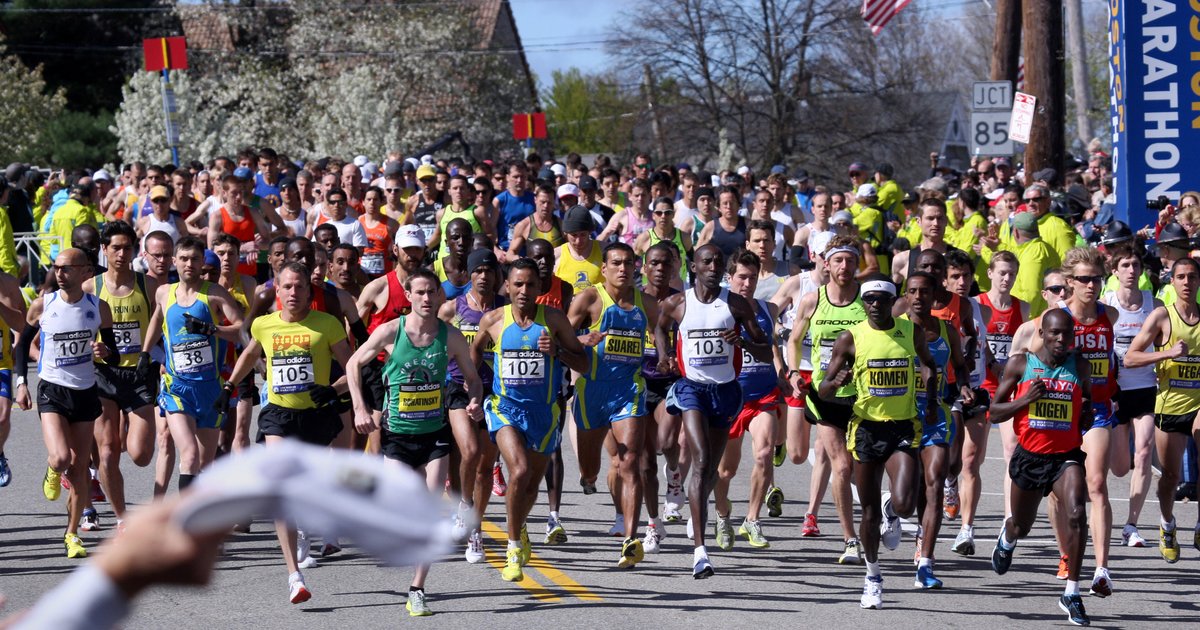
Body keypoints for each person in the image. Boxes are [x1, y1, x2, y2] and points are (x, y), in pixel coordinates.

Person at [348, 268, 484, 617]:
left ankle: (417, 588)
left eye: (431, 292)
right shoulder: (390, 332)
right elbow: (353, 364)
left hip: (434, 434)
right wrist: (360, 407)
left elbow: (473, 378)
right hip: (397, 434)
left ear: (440, 295)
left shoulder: (451, 337)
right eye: (419, 292)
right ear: (408, 296)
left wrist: (475, 399)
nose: (426, 298)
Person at [225, 261, 354, 605]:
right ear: (277, 290)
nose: (293, 292)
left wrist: (334, 389)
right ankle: (294, 576)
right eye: (287, 286)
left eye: (299, 286)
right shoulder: (264, 324)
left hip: (316, 416)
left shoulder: (326, 324)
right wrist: (229, 385)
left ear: (309, 292)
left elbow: (353, 367)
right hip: (279, 414)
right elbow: (250, 355)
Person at [654, 243, 772, 578]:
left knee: (710, 473)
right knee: (702, 459)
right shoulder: (677, 303)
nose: (713, 266)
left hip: (726, 392)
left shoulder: (736, 305)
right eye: (707, 261)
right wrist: (665, 355)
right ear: (694, 267)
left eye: (718, 261)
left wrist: (742, 342)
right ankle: (700, 552)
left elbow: (765, 351)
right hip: (692, 389)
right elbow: (660, 328)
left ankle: (697, 508)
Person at [818, 274, 936, 609]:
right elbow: (823, 389)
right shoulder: (850, 338)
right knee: (868, 512)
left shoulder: (910, 332)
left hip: (902, 427)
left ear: (893, 302)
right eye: (868, 299)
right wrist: (835, 383)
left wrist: (929, 398)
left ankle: (893, 510)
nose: (874, 305)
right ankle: (873, 577)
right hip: (866, 430)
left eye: (881, 300)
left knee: (906, 504)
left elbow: (928, 365)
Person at [469, 258, 588, 582]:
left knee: (532, 485)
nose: (523, 290)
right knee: (519, 470)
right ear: (507, 286)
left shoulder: (554, 320)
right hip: (505, 409)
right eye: (517, 284)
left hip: (544, 414)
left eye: (530, 284)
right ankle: (512, 549)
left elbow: (584, 364)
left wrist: (558, 352)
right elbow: (474, 352)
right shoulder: (493, 320)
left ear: (540, 288)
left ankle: (519, 526)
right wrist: (473, 385)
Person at [989, 309, 1094, 627]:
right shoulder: (1021, 364)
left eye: (1067, 333)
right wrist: (1025, 400)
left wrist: (1086, 413)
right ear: (1043, 334)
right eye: (1055, 333)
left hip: (1065, 457)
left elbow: (1086, 401)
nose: (1061, 339)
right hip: (1030, 458)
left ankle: (1072, 592)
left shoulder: (1080, 366)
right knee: (1022, 526)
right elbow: (994, 412)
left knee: (1077, 513)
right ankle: (1008, 537)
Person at [14, 248, 120, 558]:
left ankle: (72, 534)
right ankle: (53, 469)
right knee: (61, 458)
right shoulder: (43, 305)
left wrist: (104, 352)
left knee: (79, 469)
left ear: (85, 271)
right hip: (52, 390)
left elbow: (112, 353)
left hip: (84, 392)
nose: (59, 273)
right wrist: (21, 383)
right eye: (57, 267)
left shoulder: (98, 307)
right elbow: (22, 345)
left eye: (67, 268)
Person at [568, 242, 660, 568]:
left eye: (628, 263)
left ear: (636, 267)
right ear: (604, 268)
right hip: (592, 391)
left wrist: (665, 354)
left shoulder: (647, 304)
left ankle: (630, 540)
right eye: (616, 263)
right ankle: (588, 479)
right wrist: (582, 339)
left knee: (629, 460)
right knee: (591, 467)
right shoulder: (589, 299)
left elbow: (663, 332)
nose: (623, 269)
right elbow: (561, 336)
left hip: (628, 390)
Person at [142, 236, 245, 492]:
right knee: (188, 455)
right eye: (184, 258)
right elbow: (157, 319)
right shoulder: (164, 292)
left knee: (205, 465)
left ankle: (201, 512)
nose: (189, 264)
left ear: (202, 263)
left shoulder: (214, 293)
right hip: (177, 387)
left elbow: (243, 331)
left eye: (195, 259)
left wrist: (212, 329)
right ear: (174, 261)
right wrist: (145, 353)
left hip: (209, 388)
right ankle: (184, 516)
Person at [786, 237, 866, 562]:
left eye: (850, 260)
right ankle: (850, 539)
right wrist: (794, 372)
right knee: (842, 466)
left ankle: (879, 514)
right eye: (838, 260)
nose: (844, 266)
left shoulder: (867, 301)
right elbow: (794, 340)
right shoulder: (812, 300)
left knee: (862, 470)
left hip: (863, 397)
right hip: (825, 396)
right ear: (827, 264)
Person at [81, 221, 160, 531]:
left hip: (139, 374)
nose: (121, 254)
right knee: (108, 451)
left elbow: (164, 325)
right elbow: (77, 328)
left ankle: (125, 425)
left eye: (127, 248)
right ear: (104, 249)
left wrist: (158, 356)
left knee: (140, 454)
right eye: (115, 247)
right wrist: (91, 347)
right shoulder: (91, 288)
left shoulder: (149, 286)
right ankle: (122, 518)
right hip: (104, 374)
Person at [1123, 257, 1200, 564]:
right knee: (1170, 476)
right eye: (1181, 277)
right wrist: (1167, 354)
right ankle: (1167, 525)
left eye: (1192, 277)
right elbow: (1130, 358)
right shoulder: (1162, 316)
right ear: (1172, 281)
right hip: (1170, 405)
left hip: (1198, 403)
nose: (1187, 282)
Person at [955, 250, 1028, 556]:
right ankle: (962, 515)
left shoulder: (1023, 308)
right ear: (990, 274)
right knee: (971, 459)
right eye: (1001, 273)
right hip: (981, 387)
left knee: (1012, 452)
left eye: (1012, 273)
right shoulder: (977, 305)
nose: (1006, 278)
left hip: (1009, 390)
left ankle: (1008, 519)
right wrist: (991, 363)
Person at [714, 251, 787, 549]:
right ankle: (722, 515)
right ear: (729, 278)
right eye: (742, 277)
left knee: (764, 453)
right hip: (730, 397)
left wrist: (783, 374)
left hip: (763, 395)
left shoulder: (769, 309)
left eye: (753, 278)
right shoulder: (718, 310)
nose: (747, 283)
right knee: (725, 471)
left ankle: (752, 519)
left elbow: (773, 347)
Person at [437, 249, 507, 563]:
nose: (483, 276)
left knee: (484, 468)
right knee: (470, 450)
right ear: (468, 274)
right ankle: (463, 506)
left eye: (489, 270)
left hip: (495, 391)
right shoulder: (452, 309)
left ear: (497, 275)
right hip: (457, 388)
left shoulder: (506, 309)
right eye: (477, 270)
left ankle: (475, 530)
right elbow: (432, 344)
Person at [902, 271, 971, 588]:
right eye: (913, 291)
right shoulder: (895, 329)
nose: (918, 297)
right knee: (908, 495)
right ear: (906, 295)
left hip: (936, 415)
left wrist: (965, 385)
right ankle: (893, 509)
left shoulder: (946, 330)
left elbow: (960, 365)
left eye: (924, 292)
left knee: (934, 483)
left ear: (933, 296)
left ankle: (926, 564)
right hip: (901, 417)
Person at [1100, 246, 1160, 549]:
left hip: (1146, 386)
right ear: (1115, 271)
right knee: (1120, 467)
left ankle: (1131, 525)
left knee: (1145, 451)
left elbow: (1166, 337)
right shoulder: (1107, 305)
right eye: (1125, 265)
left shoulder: (1153, 303)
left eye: (1136, 265)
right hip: (1116, 390)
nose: (1131, 270)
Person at [505, 184, 563, 260]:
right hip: (534, 267)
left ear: (554, 202)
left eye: (549, 202)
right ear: (535, 200)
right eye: (542, 202)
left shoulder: (561, 224)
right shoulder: (524, 225)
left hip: (557, 266)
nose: (546, 206)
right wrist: (521, 261)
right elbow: (510, 253)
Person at [555, 205, 603, 291]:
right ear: (565, 233)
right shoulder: (555, 256)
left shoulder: (605, 252)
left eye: (583, 235)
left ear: (590, 232)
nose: (578, 241)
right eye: (574, 235)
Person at [357, 186, 398, 279]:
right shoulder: (358, 222)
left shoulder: (391, 224)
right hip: (361, 275)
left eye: (375, 199)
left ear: (381, 202)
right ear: (363, 202)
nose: (372, 203)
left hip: (384, 276)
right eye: (369, 199)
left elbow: (397, 252)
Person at [599, 178, 654, 247]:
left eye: (643, 195)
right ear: (630, 196)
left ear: (649, 195)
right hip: (628, 253)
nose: (640, 198)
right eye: (636, 195)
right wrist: (608, 232)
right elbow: (599, 241)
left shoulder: (656, 217)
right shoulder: (622, 216)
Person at [695, 187, 746, 258]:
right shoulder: (710, 227)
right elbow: (698, 254)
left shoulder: (747, 224)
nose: (729, 207)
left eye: (732, 203)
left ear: (738, 205)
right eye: (725, 203)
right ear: (719, 207)